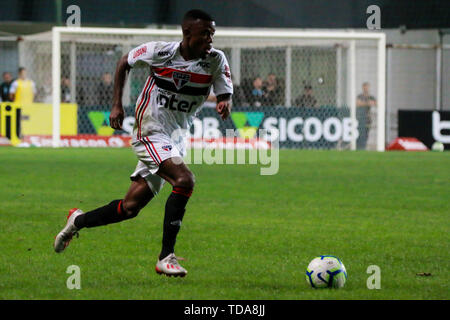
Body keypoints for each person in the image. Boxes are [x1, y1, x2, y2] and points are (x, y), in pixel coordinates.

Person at [54, 9, 233, 278]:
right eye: (205, 33)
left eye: (212, 33)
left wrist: (224, 101)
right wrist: (116, 104)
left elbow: (224, 91)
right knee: (185, 181)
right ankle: (166, 257)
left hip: (174, 140)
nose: (210, 39)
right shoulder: (160, 52)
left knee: (130, 208)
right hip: (149, 132)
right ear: (187, 33)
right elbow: (124, 62)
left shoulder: (215, 60)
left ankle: (76, 221)